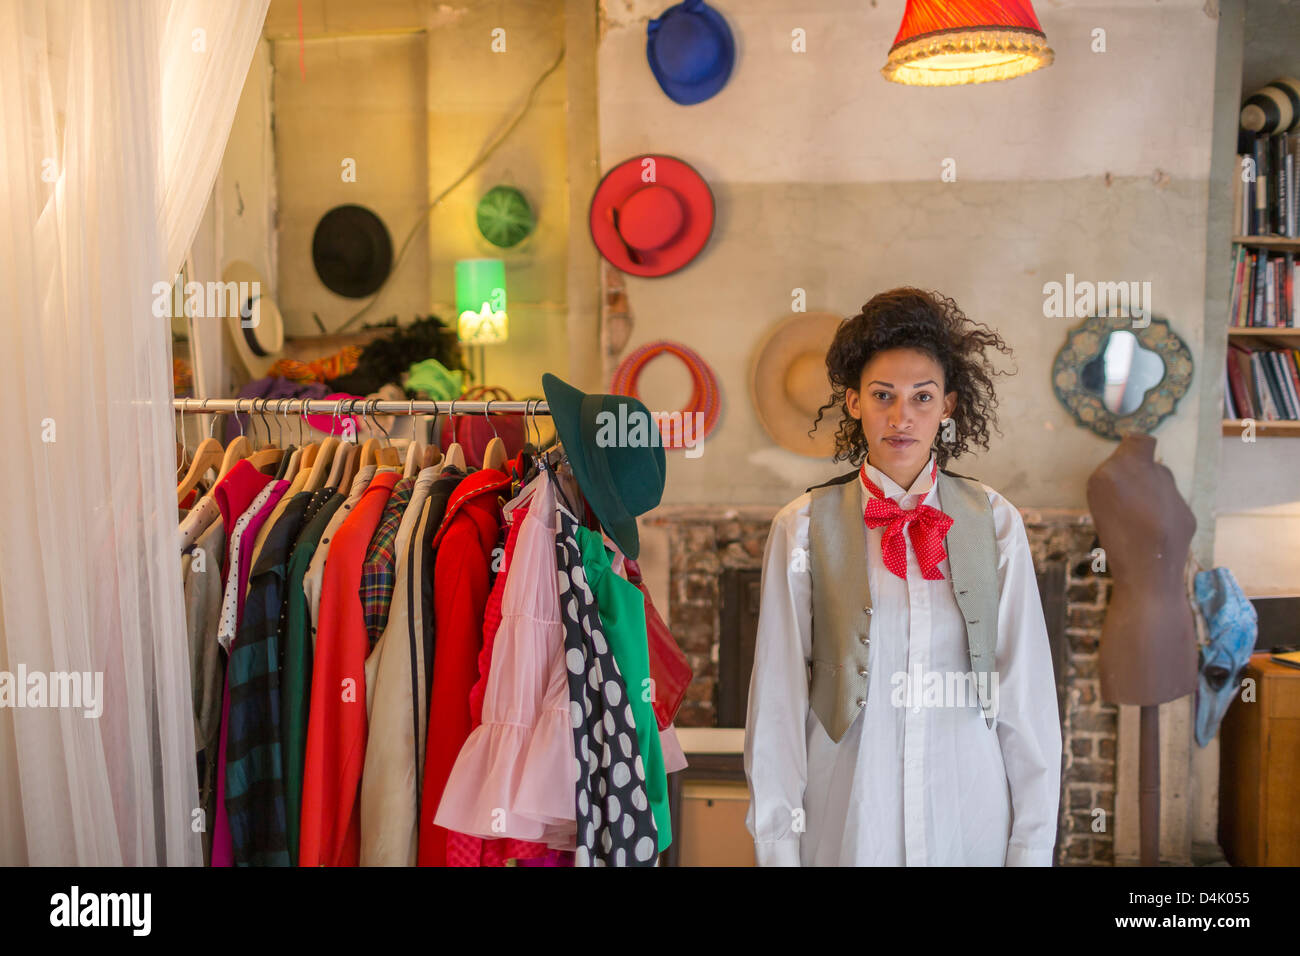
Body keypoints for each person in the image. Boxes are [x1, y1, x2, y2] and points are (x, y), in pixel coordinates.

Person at [743, 288, 1062, 866]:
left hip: (968, 816)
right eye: (882, 395)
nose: (901, 416)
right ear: (854, 402)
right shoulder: (802, 528)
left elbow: (1026, 693)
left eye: (922, 397)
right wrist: (777, 847)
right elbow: (778, 701)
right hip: (849, 816)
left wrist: (1031, 848)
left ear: (948, 406)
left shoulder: (996, 522)